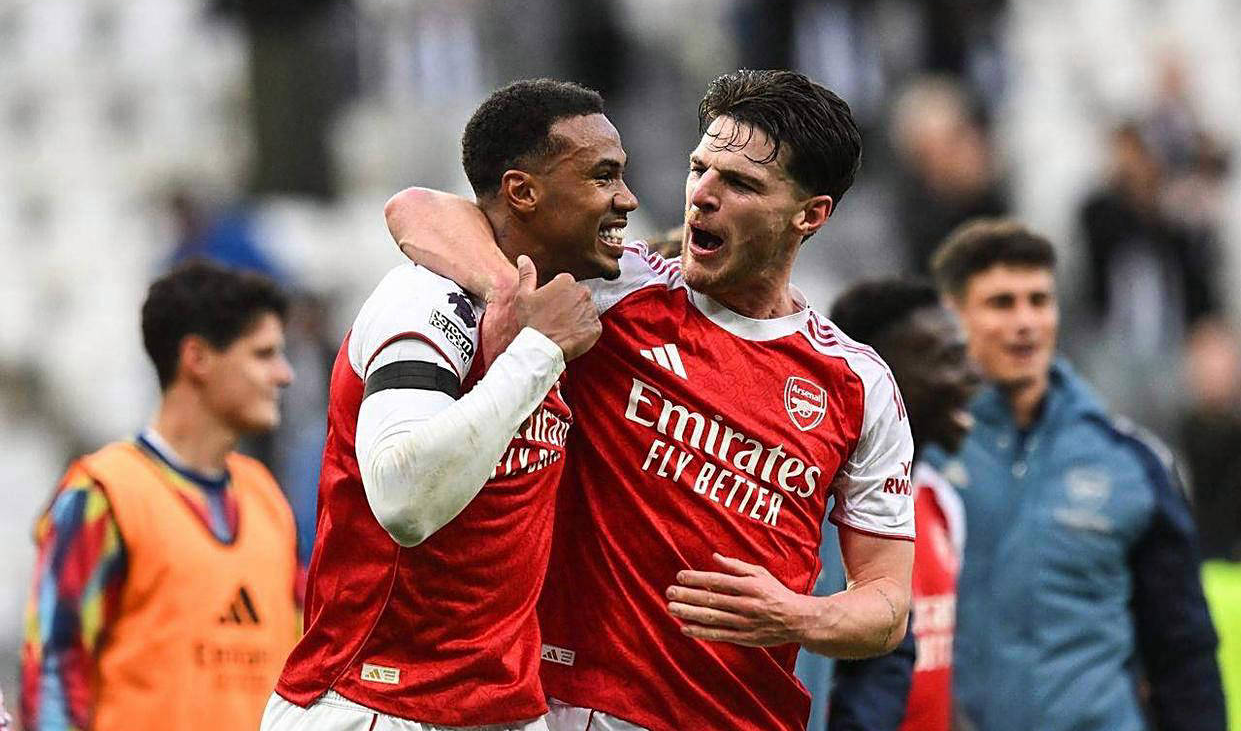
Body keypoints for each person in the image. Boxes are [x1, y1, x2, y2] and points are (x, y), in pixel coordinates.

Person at [386, 69, 915, 731]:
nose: (703, 197)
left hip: (749, 716)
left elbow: (888, 604)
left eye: (741, 184)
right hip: (584, 705)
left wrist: (795, 615)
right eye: (700, 169)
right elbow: (414, 208)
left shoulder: (859, 385)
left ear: (810, 215)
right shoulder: (618, 287)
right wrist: (510, 292)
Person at [264, 79, 633, 731]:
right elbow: (403, 498)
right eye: (603, 177)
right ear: (522, 191)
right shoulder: (426, 303)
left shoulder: (561, 302)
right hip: (379, 704)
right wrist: (538, 353)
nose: (626, 199)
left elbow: (417, 207)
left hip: (502, 708)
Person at [928, 219, 1226, 731]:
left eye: (1039, 301)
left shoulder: (1131, 463)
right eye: (1002, 303)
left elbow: (1182, 650)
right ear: (953, 316)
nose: (1026, 322)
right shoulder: (914, 456)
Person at [21, 260, 300, 731]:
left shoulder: (267, 498)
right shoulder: (104, 494)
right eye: (263, 354)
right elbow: (54, 672)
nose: (284, 374)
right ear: (197, 359)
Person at [808, 279, 980, 731]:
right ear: (882, 375)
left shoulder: (942, 503)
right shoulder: (819, 512)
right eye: (947, 360)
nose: (972, 376)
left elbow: (936, 677)